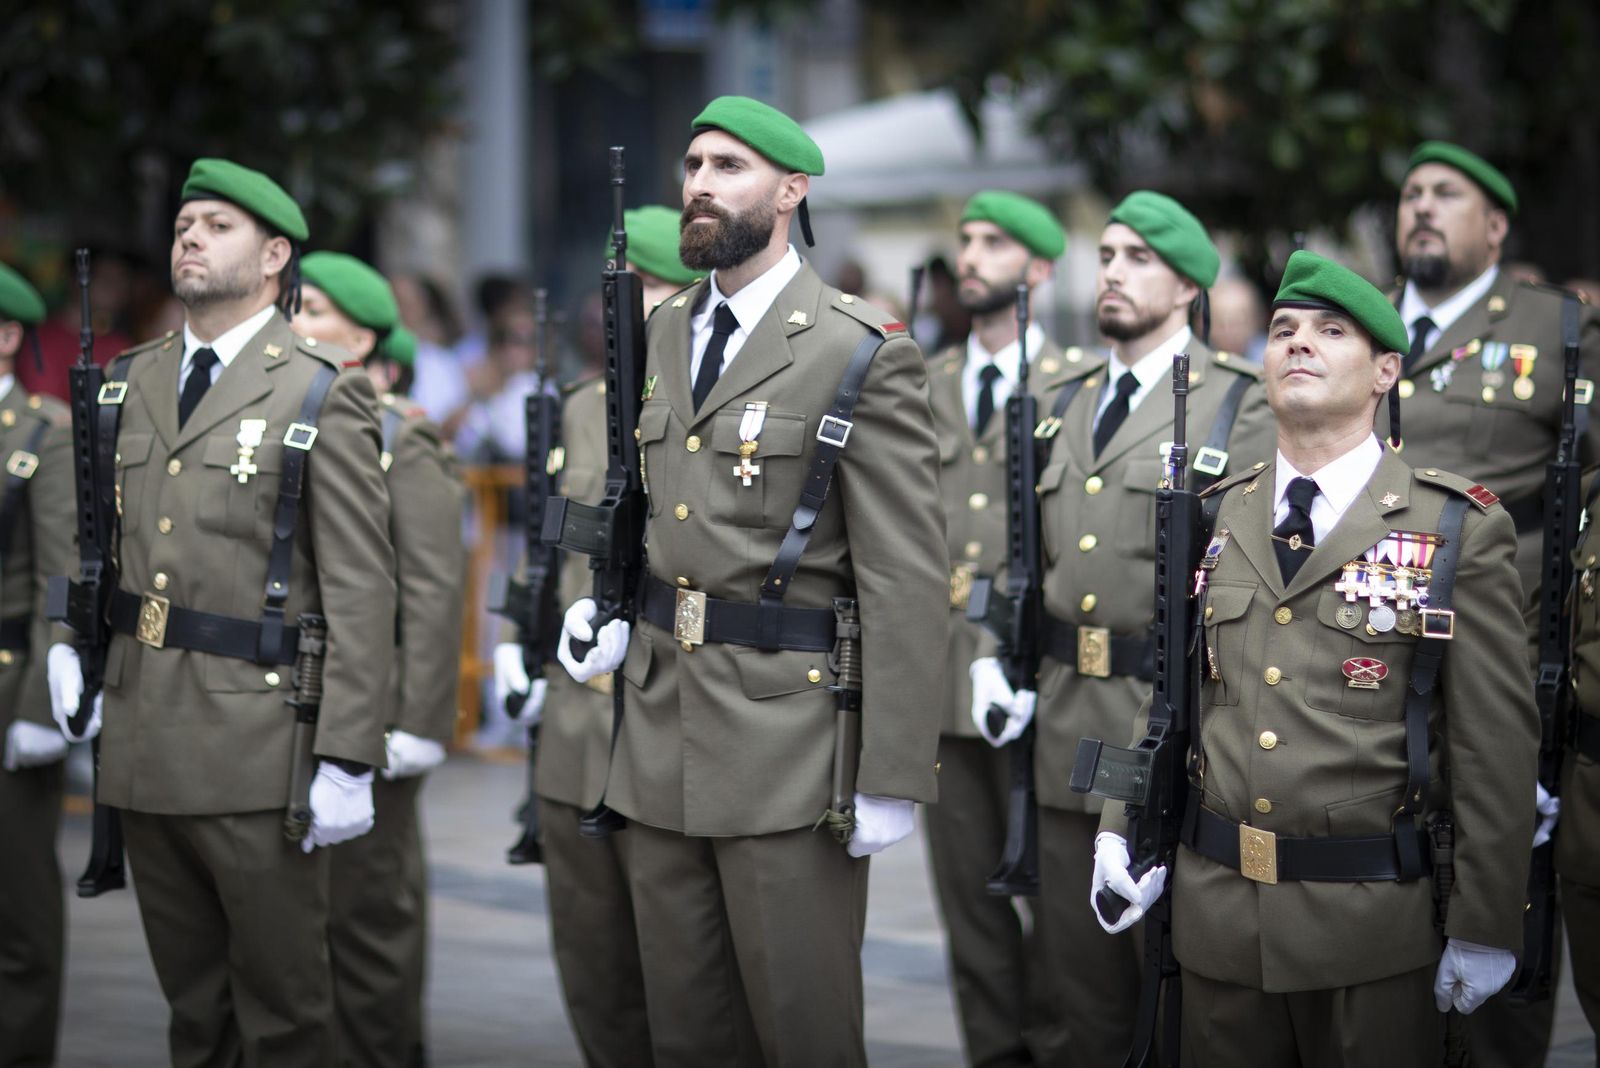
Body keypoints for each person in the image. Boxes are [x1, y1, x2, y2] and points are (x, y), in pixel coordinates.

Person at [554, 96, 948, 1066]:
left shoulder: (857, 349)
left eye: (728, 167)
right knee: (685, 1032)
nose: (698, 185)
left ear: (790, 190)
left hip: (787, 746)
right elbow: (647, 508)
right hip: (655, 730)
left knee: (800, 1030)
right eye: (691, 166)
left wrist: (892, 770)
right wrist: (602, 609)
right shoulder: (666, 333)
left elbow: (903, 571)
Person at [1094, 250, 1538, 1066]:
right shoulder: (1216, 511)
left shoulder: (1455, 529)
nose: (1299, 342)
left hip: (1368, 936)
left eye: (1331, 332)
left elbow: (1494, 749)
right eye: (1283, 329)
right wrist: (1115, 827)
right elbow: (1165, 694)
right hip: (1217, 925)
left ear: (1385, 372)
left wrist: (1486, 922)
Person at [47, 158, 396, 1067]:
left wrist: (349, 755)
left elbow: (361, 585)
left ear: (276, 254)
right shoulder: (128, 381)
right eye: (184, 224)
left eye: (218, 225)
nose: (190, 237)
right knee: (193, 1012)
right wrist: (63, 635)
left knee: (284, 1014)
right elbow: (92, 543)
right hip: (144, 737)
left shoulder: (321, 387)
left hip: (256, 743)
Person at [971, 190, 1275, 1065]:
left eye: (1138, 258)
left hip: (1176, 724)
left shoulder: (1238, 403)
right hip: (1068, 724)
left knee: (1184, 994)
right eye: (1105, 255)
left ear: (1188, 286)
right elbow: (1014, 554)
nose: (1112, 272)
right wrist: (996, 652)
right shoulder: (1058, 399)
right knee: (1077, 994)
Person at [1388, 139, 1600, 1066]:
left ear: (1497, 225)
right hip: (1365, 662)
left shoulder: (1554, 328)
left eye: (1446, 194)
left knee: (1505, 917)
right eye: (1410, 193)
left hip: (1501, 662)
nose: (1422, 208)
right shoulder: (1354, 321)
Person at [492, 204, 696, 1067]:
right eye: (611, 289)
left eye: (641, 286)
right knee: (594, 967)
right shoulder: (578, 407)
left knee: (684, 983)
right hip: (576, 731)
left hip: (667, 726)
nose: (613, 308)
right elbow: (550, 543)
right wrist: (514, 630)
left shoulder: (705, 407)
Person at [292, 251, 466, 1067]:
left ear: (361, 339)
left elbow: (432, 591)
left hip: (380, 711)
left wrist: (419, 721)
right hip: (297, 698)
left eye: (315, 310)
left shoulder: (401, 435)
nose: (295, 321)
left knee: (370, 913)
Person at [919, 189, 1069, 1067]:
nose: (971, 257)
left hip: (1039, 673)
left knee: (1055, 905)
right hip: (942, 680)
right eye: (966, 242)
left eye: (995, 245)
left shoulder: (1077, 384)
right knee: (968, 905)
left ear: (1039, 270)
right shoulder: (922, 380)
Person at [0, 260, 74, 1067]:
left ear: (9, 334)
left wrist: (35, 709)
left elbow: (59, 575)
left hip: (6, 678)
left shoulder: (40, 433)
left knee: (16, 912)